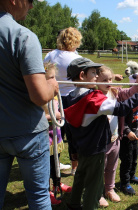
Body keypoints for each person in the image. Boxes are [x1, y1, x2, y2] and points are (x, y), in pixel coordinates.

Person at [63, 57, 138, 210]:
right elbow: (122, 108)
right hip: (95, 149)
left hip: (82, 146)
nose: (97, 76)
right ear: (82, 75)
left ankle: (75, 203)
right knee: (94, 185)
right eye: (94, 73)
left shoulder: (70, 96)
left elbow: (70, 127)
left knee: (81, 176)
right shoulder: (93, 98)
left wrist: (73, 149)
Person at [0, 1, 59, 209]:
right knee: (38, 196)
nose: (32, 7)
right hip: (28, 133)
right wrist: (51, 85)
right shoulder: (23, 36)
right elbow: (39, 96)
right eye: (30, 1)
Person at [96, 66, 138, 207]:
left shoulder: (115, 92)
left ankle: (109, 189)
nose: (108, 82)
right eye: (104, 80)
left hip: (114, 137)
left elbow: (129, 93)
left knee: (112, 166)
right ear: (96, 80)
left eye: (110, 79)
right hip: (100, 141)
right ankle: (98, 193)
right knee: (100, 168)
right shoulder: (95, 95)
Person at [44, 27, 83, 176]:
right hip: (72, 98)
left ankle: (56, 164)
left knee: (57, 134)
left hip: (55, 98)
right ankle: (74, 167)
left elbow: (43, 70)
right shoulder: (75, 57)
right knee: (73, 134)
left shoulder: (51, 55)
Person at [42, 62, 72, 205]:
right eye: (52, 77)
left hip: (56, 137)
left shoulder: (55, 96)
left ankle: (57, 184)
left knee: (56, 163)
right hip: (45, 140)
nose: (56, 81)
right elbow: (36, 117)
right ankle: (46, 191)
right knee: (45, 166)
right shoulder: (40, 99)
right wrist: (52, 117)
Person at [119, 74, 138, 195]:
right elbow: (121, 120)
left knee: (134, 157)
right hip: (126, 137)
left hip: (135, 135)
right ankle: (124, 183)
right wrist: (127, 131)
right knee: (127, 159)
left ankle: (132, 176)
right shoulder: (126, 101)